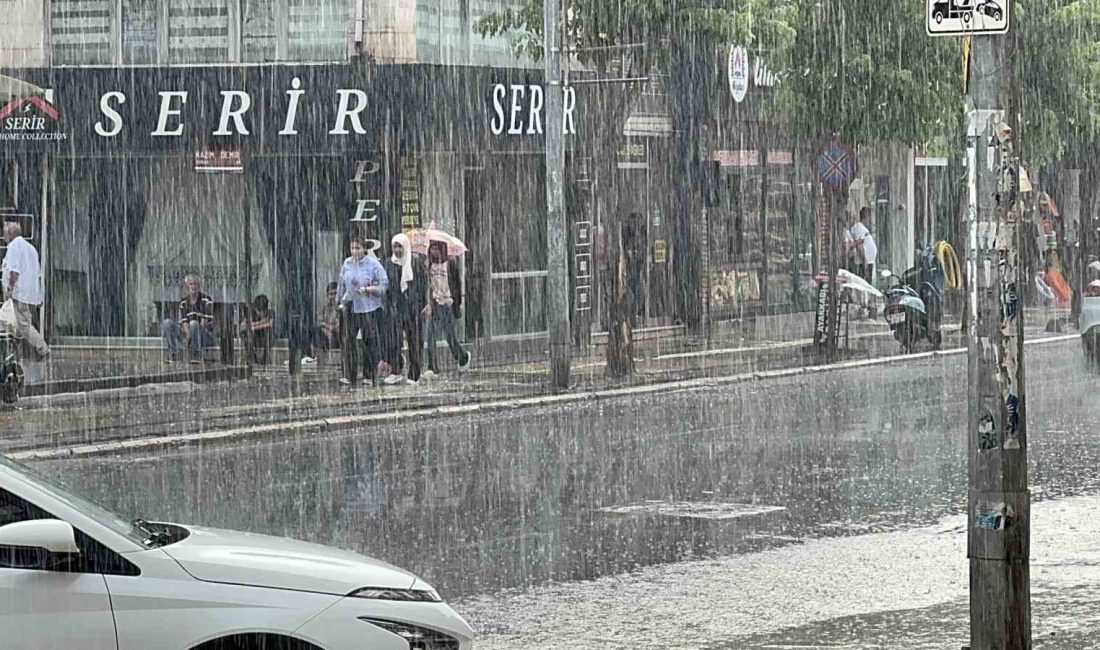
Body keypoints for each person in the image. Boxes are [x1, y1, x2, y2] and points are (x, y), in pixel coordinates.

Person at [337, 237, 388, 387]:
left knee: (369, 341)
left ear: (364, 249)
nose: (354, 251)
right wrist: (340, 301)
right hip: (351, 306)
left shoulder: (373, 264)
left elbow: (384, 284)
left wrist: (369, 289)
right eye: (352, 248)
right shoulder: (347, 263)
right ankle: (348, 374)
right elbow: (341, 283)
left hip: (369, 307)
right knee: (348, 341)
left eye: (358, 248)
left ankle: (368, 374)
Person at [382, 233, 427, 385]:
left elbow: (423, 285)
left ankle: (414, 374)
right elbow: (386, 285)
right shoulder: (389, 263)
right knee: (393, 340)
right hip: (395, 307)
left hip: (413, 308)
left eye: (400, 246)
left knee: (414, 340)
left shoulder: (415, 263)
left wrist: (425, 303)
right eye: (395, 246)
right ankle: (396, 370)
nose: (397, 250)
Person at [1, 222, 49, 361]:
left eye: (4, 233)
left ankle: (43, 349)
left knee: (24, 327)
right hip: (30, 295)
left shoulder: (14, 246)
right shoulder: (31, 248)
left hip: (20, 294)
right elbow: (37, 275)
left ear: (10, 234)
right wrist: (39, 297)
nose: (3, 236)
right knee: (11, 323)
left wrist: (9, 289)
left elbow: (14, 271)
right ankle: (14, 353)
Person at [423, 240, 471, 376]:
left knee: (449, 336)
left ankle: (462, 357)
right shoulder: (428, 265)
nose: (434, 252)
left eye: (437, 249)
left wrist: (455, 302)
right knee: (430, 335)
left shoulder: (450, 264)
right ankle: (432, 367)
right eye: (432, 249)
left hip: (447, 304)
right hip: (434, 303)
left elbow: (457, 284)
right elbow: (427, 285)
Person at [161, 274, 214, 364]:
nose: (194, 286)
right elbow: (184, 323)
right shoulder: (183, 302)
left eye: (196, 284)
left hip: (204, 336)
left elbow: (204, 322)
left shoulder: (206, 300)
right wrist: (188, 335)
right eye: (191, 284)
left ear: (199, 286)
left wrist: (193, 335)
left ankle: (196, 355)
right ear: (186, 287)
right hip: (188, 334)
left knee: (193, 324)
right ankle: (175, 353)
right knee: (167, 323)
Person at [850, 207, 878, 318]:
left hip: (869, 262)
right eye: (870, 217)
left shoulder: (863, 228)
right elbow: (860, 245)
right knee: (864, 286)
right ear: (866, 217)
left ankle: (867, 308)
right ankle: (864, 309)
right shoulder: (859, 228)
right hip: (864, 263)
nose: (871, 220)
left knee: (867, 286)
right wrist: (865, 260)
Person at [240, 294, 275, 365]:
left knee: (269, 332)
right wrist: (261, 323)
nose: (260, 313)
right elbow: (242, 326)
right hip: (255, 337)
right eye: (258, 310)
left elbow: (270, 324)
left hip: (265, 338)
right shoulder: (252, 313)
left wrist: (253, 326)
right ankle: (252, 358)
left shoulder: (270, 312)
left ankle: (265, 359)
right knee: (246, 333)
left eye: (261, 311)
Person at [315, 281, 341, 364]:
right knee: (317, 330)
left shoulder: (343, 306)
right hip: (327, 332)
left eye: (335, 294)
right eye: (331, 294)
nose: (333, 296)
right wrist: (328, 328)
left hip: (339, 333)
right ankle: (319, 357)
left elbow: (343, 323)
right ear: (327, 295)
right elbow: (319, 321)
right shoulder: (323, 306)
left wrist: (333, 328)